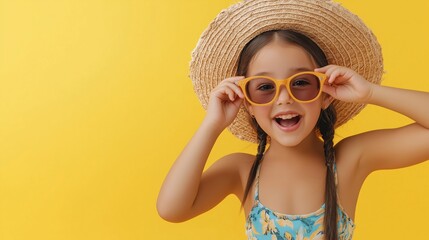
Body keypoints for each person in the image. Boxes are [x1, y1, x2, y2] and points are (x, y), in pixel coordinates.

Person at [157, 0, 429, 239]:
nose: (284, 98)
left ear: (326, 95)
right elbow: (171, 209)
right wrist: (212, 125)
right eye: (264, 87)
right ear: (247, 102)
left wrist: (370, 92)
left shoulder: (350, 159)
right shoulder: (241, 171)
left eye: (301, 82)